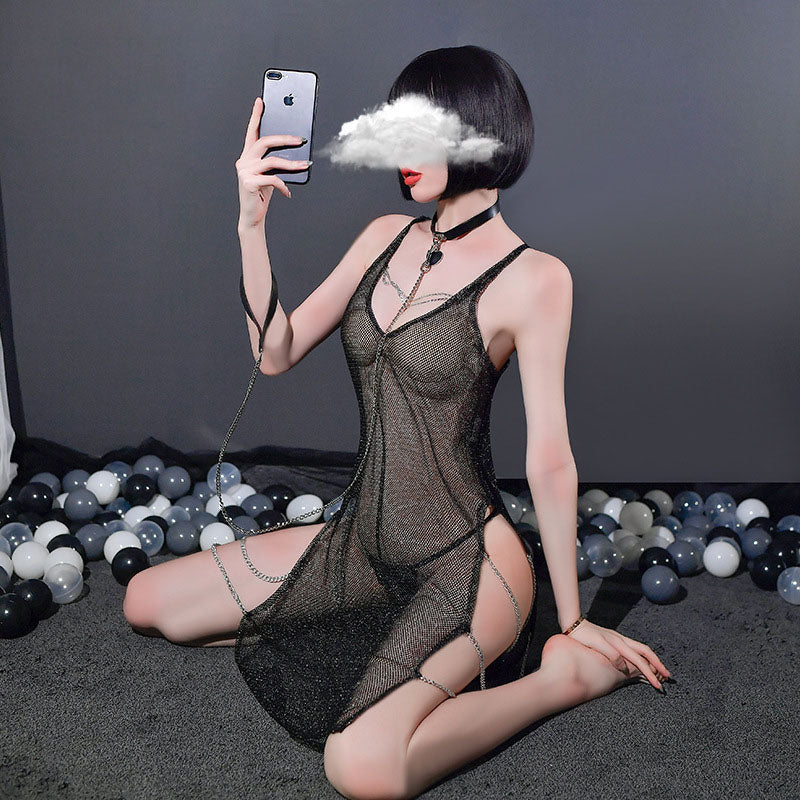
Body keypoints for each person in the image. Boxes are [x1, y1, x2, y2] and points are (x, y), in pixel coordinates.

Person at [123, 46, 672, 800]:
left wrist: (571, 622)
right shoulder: (385, 236)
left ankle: (560, 681)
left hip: (468, 565)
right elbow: (275, 351)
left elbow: (549, 457)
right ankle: (381, 624)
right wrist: (251, 222)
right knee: (147, 603)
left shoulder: (536, 278)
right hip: (365, 541)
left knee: (361, 766)